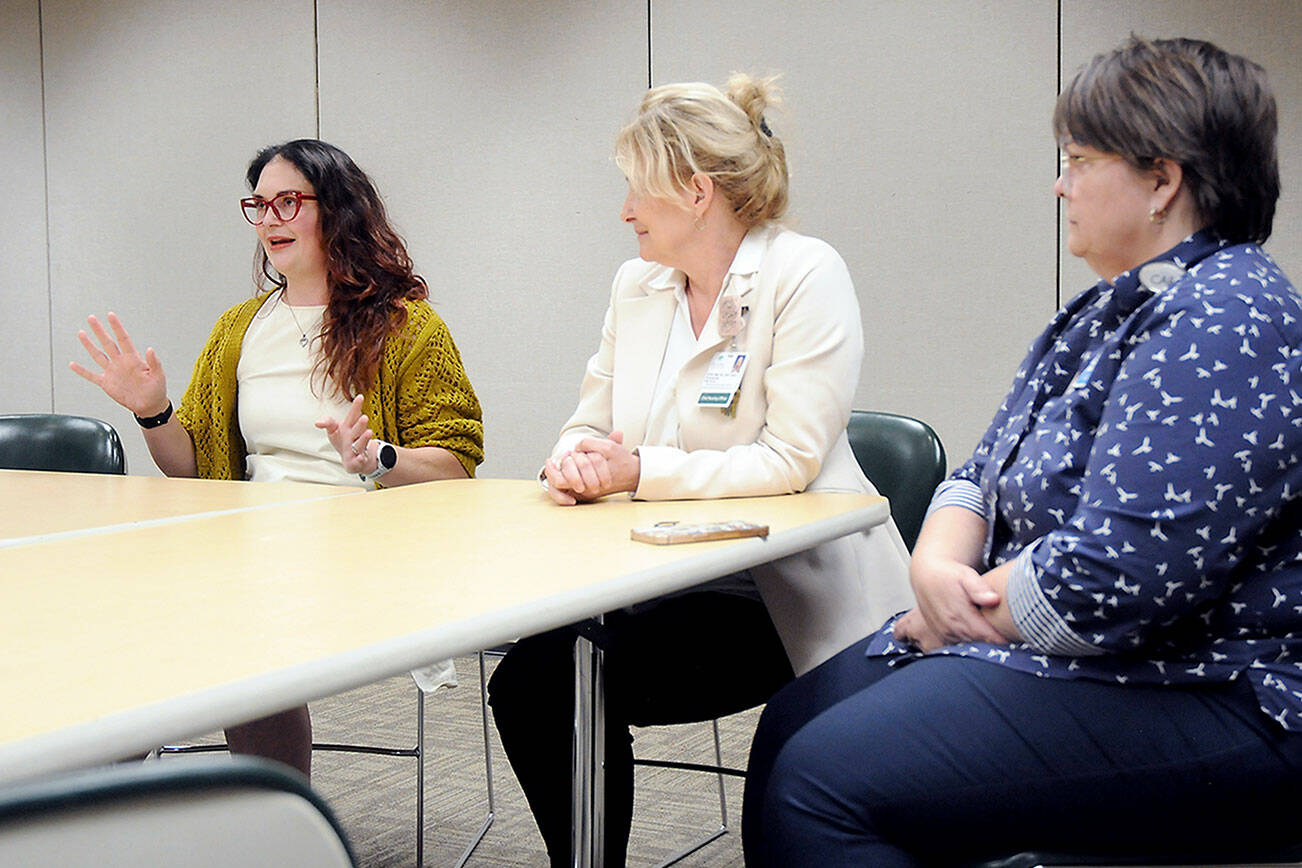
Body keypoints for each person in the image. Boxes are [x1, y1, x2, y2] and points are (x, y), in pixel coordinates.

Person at [744, 36, 1302, 866]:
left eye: (1079, 160)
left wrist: (965, 617)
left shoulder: (1229, 315)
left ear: (1161, 180)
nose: (1061, 183)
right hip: (1074, 645)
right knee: (794, 723)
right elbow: (980, 472)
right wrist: (935, 568)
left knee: (819, 783)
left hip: (1216, 688)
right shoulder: (1102, 312)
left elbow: (1120, 576)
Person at [486, 74, 912, 866]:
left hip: (781, 593)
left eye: (634, 190)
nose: (623, 212)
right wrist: (575, 460)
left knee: (583, 677)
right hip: (657, 576)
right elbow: (590, 418)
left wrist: (637, 469)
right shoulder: (637, 287)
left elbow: (789, 460)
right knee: (533, 683)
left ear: (694, 190)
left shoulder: (804, 274)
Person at [72, 139, 483, 778]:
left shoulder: (405, 326)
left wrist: (377, 458)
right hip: (249, 541)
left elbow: (457, 463)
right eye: (258, 206)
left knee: (227, 623)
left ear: (338, 210)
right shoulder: (239, 328)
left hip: (362, 545)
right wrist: (152, 410)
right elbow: (194, 467)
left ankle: (264, 818)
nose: (268, 221)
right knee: (124, 608)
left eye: (287, 202)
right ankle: (94, 802)